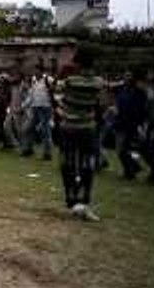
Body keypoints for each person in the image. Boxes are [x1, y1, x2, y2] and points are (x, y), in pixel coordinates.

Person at [56, 49, 103, 221]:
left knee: (67, 164)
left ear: (78, 64)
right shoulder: (98, 82)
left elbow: (55, 87)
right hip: (88, 128)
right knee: (87, 165)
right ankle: (83, 202)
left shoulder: (70, 81)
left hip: (68, 127)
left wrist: (61, 72)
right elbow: (101, 102)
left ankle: (72, 199)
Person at [113, 71, 147, 180]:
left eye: (129, 76)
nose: (127, 78)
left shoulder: (139, 92)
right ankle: (132, 169)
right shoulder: (121, 90)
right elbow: (118, 104)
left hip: (131, 124)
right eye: (126, 75)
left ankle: (131, 170)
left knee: (122, 149)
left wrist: (140, 122)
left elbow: (141, 109)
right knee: (121, 150)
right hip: (120, 123)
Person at [21, 68, 53, 160]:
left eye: (37, 71)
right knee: (28, 128)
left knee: (45, 131)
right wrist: (24, 105)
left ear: (41, 71)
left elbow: (55, 89)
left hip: (45, 108)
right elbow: (31, 94)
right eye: (34, 71)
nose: (35, 72)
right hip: (35, 107)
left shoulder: (48, 79)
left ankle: (47, 153)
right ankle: (28, 149)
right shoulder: (34, 80)